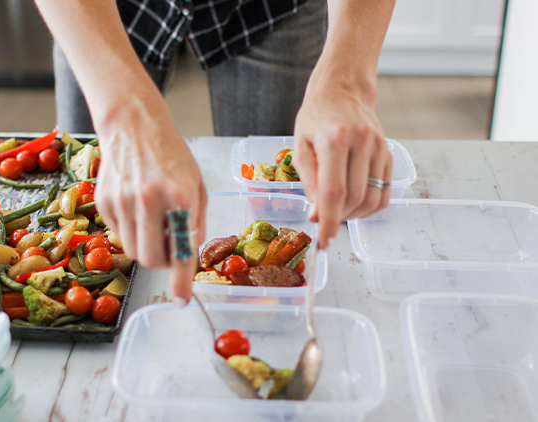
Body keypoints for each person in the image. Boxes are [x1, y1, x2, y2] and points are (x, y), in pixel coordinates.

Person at [34, 0, 395, 306]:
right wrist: (120, 116)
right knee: (87, 205)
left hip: (268, 8)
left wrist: (348, 80)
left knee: (276, 202)